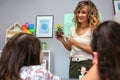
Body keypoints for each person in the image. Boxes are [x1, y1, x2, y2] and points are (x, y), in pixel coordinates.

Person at [55, 0, 100, 78]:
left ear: (90, 14)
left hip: (88, 63)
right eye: (78, 12)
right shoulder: (72, 29)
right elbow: (69, 48)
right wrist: (62, 40)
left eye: (83, 12)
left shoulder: (93, 29)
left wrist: (75, 43)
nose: (79, 15)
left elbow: (94, 51)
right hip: (73, 65)